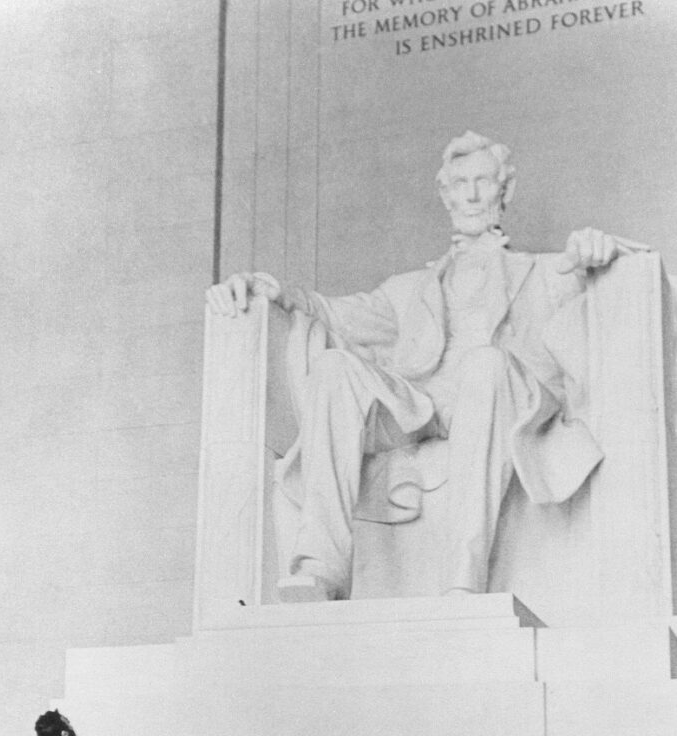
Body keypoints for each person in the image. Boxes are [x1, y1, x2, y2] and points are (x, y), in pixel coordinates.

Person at [207, 130, 641, 601]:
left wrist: (599, 249)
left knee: (487, 365)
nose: (472, 194)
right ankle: (319, 568)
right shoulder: (406, 289)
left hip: (497, 398)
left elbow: (615, 276)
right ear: (445, 194)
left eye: (483, 181)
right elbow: (328, 311)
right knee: (334, 368)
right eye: (460, 183)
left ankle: (463, 579)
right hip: (420, 407)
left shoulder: (545, 272)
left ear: (505, 190)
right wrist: (265, 290)